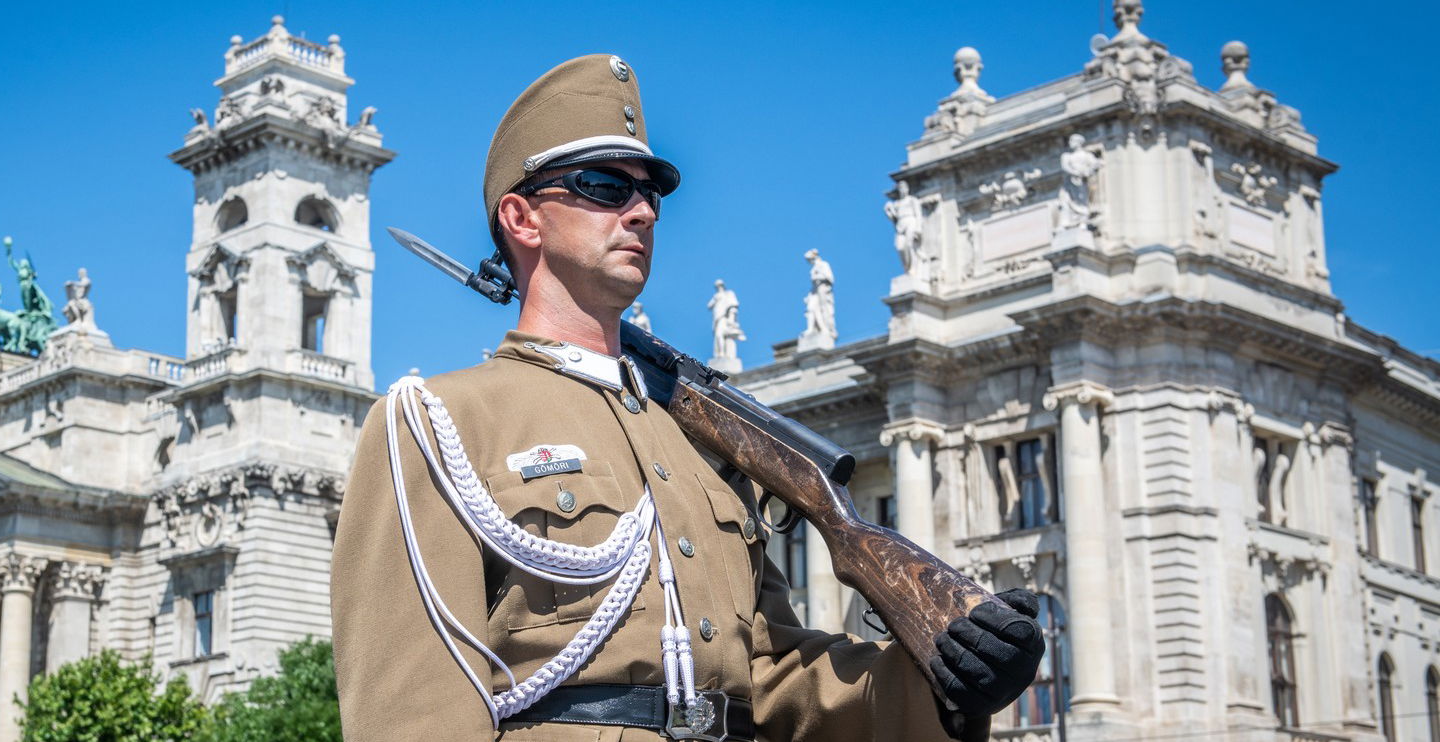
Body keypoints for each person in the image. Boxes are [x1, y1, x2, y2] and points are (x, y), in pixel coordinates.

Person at [331, 54, 1042, 741]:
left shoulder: (702, 447)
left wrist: (943, 685)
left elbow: (772, 679)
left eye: (651, 194)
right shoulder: (440, 424)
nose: (641, 211)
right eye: (605, 186)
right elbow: (415, 714)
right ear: (523, 219)